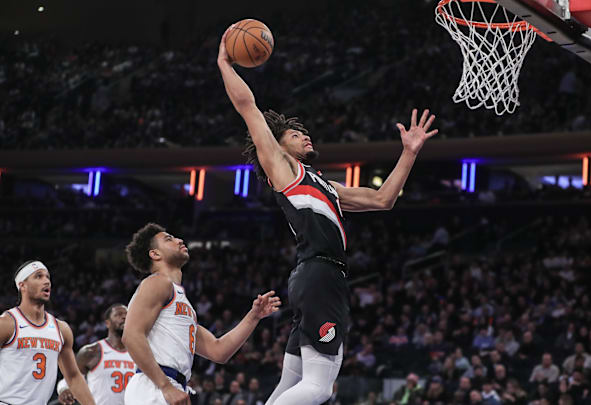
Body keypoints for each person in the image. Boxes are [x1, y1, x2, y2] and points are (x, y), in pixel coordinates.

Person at [217, 23, 438, 405]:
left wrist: (409, 152)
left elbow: (383, 200)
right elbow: (247, 107)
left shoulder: (325, 185)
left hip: (312, 278)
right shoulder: (283, 169)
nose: (305, 135)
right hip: (320, 274)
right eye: (295, 134)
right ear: (279, 145)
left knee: (291, 385)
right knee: (319, 388)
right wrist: (225, 62)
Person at [122, 223, 281, 405]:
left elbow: (218, 350)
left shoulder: (182, 303)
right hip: (155, 385)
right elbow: (131, 336)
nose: (179, 240)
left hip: (172, 385)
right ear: (155, 254)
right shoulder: (157, 283)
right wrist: (165, 386)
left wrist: (253, 317)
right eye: (169, 239)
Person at [0, 260, 96, 405]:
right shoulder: (7, 324)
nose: (46, 281)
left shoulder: (61, 329)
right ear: (22, 285)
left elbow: (74, 377)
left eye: (48, 277)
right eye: (38, 276)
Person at [57, 304, 133, 405]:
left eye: (127, 315)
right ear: (107, 323)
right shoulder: (92, 351)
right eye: (118, 314)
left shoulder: (139, 352)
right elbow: (70, 378)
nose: (124, 317)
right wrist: (64, 389)